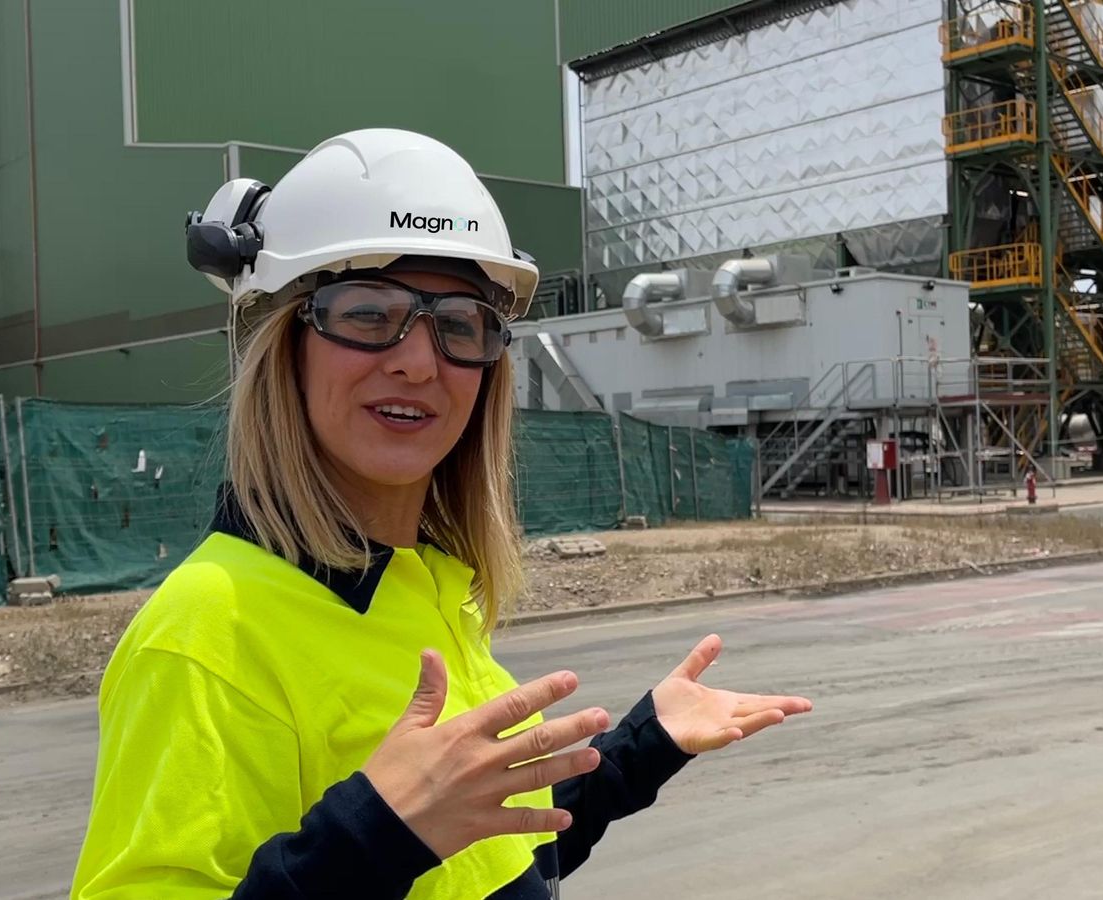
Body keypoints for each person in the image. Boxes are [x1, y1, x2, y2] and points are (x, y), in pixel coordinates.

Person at [70, 128, 812, 899]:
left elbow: (484, 859)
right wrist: (376, 836)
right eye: (367, 313)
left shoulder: (425, 589)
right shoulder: (206, 632)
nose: (420, 362)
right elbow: (402, 837)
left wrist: (639, 747)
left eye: (459, 325)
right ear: (282, 345)